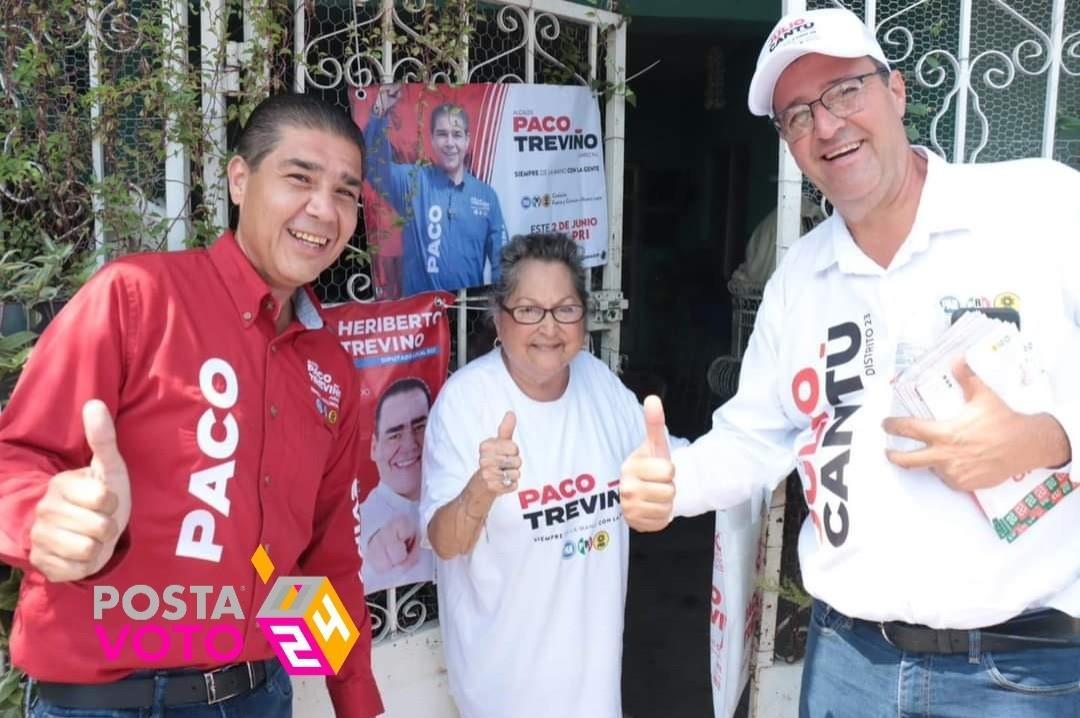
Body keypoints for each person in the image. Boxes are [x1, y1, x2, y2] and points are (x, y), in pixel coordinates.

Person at [620, 7, 1080, 718]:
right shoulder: (799, 280)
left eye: (844, 92)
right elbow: (754, 438)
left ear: (895, 92)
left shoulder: (1037, 207)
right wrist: (674, 482)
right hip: (846, 664)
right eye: (797, 115)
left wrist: (1048, 438)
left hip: (1018, 669)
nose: (826, 126)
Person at [0, 94, 384, 718]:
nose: (324, 208)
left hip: (258, 695)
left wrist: (356, 701)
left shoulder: (331, 368)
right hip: (108, 703)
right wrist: (40, 517)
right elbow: (15, 458)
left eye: (345, 192)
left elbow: (326, 556)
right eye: (299, 177)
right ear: (240, 179)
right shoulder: (138, 296)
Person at [419, 233, 668, 718]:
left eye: (566, 309)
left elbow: (662, 464)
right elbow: (443, 542)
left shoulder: (599, 383)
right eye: (529, 310)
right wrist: (480, 491)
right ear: (499, 315)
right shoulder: (466, 403)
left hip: (594, 695)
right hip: (503, 695)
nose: (549, 328)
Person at [363, 83, 508, 297]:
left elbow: (502, 261)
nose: (450, 143)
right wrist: (380, 111)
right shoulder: (412, 181)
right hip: (420, 315)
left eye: (457, 134)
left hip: (467, 313)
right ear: (431, 139)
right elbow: (373, 165)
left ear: (467, 141)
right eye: (442, 134)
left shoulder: (487, 196)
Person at [359, 377, 435, 591]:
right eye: (395, 435)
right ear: (374, 447)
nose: (409, 444)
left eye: (420, 427)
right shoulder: (360, 520)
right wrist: (372, 556)